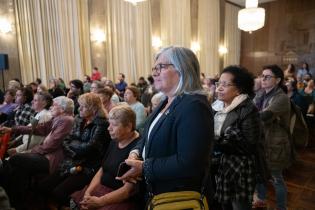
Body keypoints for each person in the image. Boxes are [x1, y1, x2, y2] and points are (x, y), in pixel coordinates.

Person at [117, 46, 213, 203]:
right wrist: (135, 152)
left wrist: (144, 167)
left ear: (182, 69)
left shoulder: (194, 106)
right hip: (156, 192)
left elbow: (189, 162)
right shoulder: (165, 101)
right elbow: (148, 136)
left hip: (178, 196)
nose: (154, 72)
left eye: (161, 67)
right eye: (154, 68)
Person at [37, 93, 111, 207]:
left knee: (59, 192)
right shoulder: (79, 119)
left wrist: (75, 146)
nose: (79, 108)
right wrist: (77, 148)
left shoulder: (102, 124)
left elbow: (89, 148)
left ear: (94, 108)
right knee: (43, 185)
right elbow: (66, 140)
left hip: (88, 167)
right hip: (71, 162)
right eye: (79, 105)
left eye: (84, 106)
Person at [0, 96, 74, 209]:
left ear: (62, 109)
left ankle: (13, 200)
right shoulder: (58, 118)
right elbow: (38, 128)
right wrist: (13, 129)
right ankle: (17, 200)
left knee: (16, 160)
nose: (51, 107)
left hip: (51, 159)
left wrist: (30, 151)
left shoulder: (67, 120)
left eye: (54, 105)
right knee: (19, 168)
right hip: (44, 154)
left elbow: (52, 145)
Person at [71, 105, 140, 210]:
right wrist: (88, 192)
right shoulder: (114, 140)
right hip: (102, 189)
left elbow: (127, 191)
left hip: (118, 198)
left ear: (129, 126)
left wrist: (100, 201)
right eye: (109, 124)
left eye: (114, 125)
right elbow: (102, 169)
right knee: (76, 203)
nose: (109, 128)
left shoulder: (137, 150)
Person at [212, 66, 260, 210]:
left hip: (239, 168)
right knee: (223, 205)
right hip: (220, 165)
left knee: (239, 205)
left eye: (225, 85)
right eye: (218, 83)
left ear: (239, 89)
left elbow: (249, 145)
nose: (219, 88)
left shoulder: (247, 109)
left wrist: (214, 142)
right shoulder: (217, 107)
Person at [253, 65, 293, 210]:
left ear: (277, 80)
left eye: (267, 76)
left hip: (276, 142)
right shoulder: (261, 94)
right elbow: (251, 110)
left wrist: (248, 114)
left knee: (276, 178)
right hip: (263, 140)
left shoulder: (281, 98)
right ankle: (262, 202)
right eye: (262, 75)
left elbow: (263, 116)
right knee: (261, 174)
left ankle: (282, 208)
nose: (263, 79)